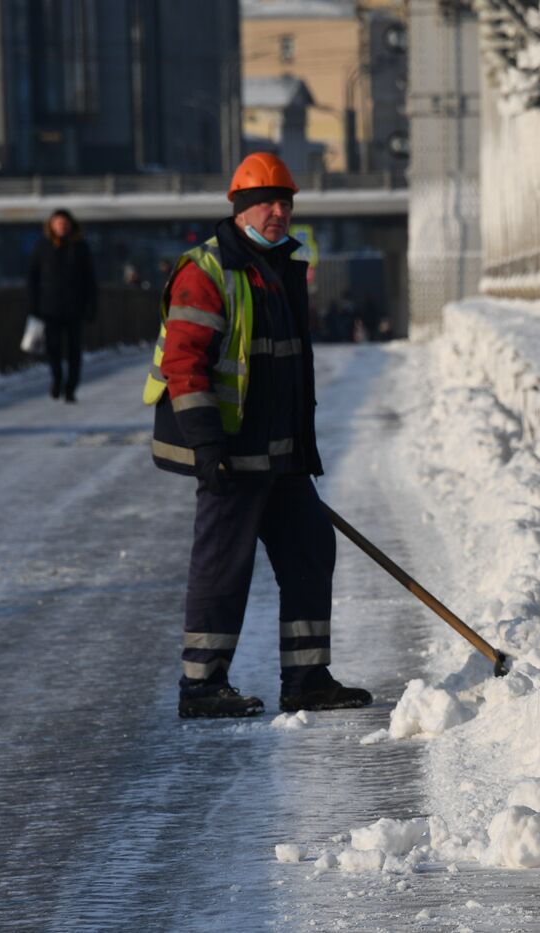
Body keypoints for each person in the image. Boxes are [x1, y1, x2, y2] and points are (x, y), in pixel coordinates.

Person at [142, 152, 372, 719]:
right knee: (224, 566)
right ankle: (200, 686)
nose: (279, 211)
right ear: (241, 209)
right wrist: (208, 445)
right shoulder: (207, 271)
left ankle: (307, 677)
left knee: (310, 549)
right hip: (230, 453)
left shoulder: (282, 268)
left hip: (281, 455)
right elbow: (184, 365)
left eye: (286, 202)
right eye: (267, 202)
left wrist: (300, 448)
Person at [27, 209, 97, 402]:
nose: (61, 226)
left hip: (75, 307)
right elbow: (33, 278)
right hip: (49, 308)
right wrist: (33, 306)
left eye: (64, 223)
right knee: (53, 348)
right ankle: (57, 378)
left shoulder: (80, 247)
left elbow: (90, 279)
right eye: (57, 223)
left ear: (70, 225)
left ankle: (70, 389)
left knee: (74, 350)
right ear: (51, 225)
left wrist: (91, 305)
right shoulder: (43, 247)